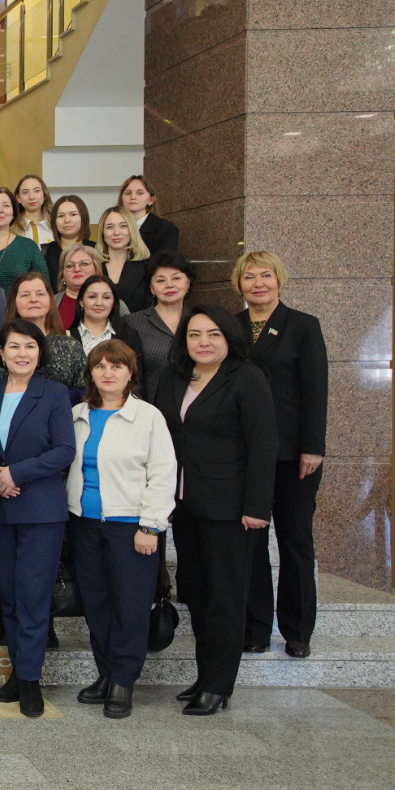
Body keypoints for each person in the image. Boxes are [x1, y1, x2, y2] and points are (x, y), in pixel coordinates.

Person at [152, 306, 277, 715]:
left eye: (213, 334)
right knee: (199, 594)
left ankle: (219, 685)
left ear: (228, 338)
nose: (203, 342)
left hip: (230, 507)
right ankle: (206, 676)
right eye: (194, 335)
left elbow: (264, 445)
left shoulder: (247, 377)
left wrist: (257, 506)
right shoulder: (173, 377)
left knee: (226, 597)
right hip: (185, 504)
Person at [69, 339, 177, 719]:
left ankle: (123, 681)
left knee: (129, 606)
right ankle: (106, 673)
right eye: (100, 366)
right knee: (96, 604)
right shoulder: (77, 414)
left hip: (130, 527)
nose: (108, 373)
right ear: (91, 373)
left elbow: (163, 474)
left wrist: (151, 526)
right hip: (83, 524)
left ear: (130, 373)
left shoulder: (147, 417)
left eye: (116, 366)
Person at [234, 252, 327, 659]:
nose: (257, 283)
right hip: (244, 452)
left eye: (265, 276)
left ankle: (297, 630)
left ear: (279, 280)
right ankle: (255, 628)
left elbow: (316, 389)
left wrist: (313, 446)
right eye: (248, 277)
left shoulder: (303, 326)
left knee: (294, 541)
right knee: (250, 543)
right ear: (239, 284)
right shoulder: (231, 327)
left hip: (293, 454)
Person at [0, 320, 75, 719]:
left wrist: (15, 474)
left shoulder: (54, 394)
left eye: (30, 347)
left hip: (40, 510)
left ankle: (31, 679)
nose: (22, 353)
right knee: (8, 596)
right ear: (2, 353)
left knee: (33, 595)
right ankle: (19, 673)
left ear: (40, 353)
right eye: (14, 346)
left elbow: (64, 450)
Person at [0, 271, 87, 394]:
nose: (33, 299)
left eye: (40, 294)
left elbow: (85, 392)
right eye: (25, 295)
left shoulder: (70, 346)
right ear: (14, 302)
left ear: (50, 300)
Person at [122, 251, 193, 387]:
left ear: (188, 283)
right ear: (151, 288)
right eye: (161, 280)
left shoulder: (201, 320)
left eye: (176, 278)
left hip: (195, 397)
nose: (169, 285)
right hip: (150, 398)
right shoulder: (132, 322)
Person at [0, 189, 48, 296]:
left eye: (6, 205)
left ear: (13, 214)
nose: (0, 210)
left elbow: (44, 288)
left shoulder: (28, 246)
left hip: (20, 306)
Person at [70, 275, 146, 365]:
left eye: (106, 297)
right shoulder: (66, 336)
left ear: (113, 303)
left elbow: (136, 372)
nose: (99, 303)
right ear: (81, 301)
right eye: (92, 297)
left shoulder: (129, 336)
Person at [99, 205, 151, 313]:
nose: (116, 232)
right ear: (102, 233)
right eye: (110, 227)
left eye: (123, 226)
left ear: (132, 230)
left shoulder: (148, 267)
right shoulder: (92, 266)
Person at [118, 174, 180, 256]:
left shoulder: (165, 229)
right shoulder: (112, 227)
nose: (133, 197)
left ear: (151, 200)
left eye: (140, 193)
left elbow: (165, 262)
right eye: (128, 193)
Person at [42, 195, 94, 287]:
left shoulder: (96, 249)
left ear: (83, 217)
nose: (67, 220)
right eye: (61, 216)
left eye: (73, 214)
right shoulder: (45, 252)